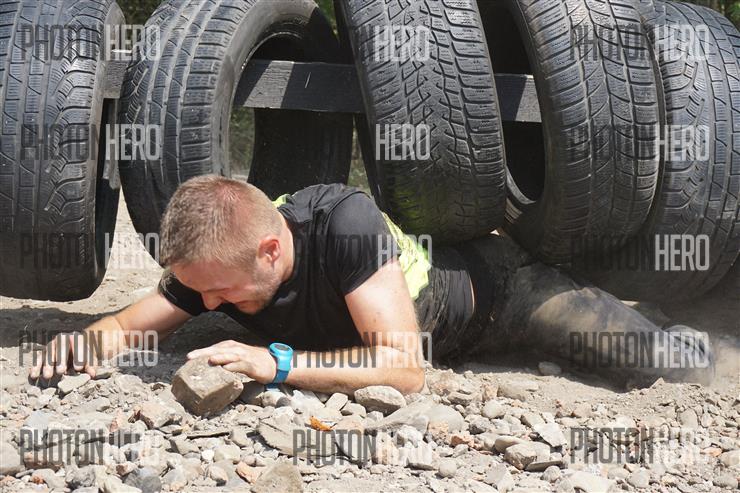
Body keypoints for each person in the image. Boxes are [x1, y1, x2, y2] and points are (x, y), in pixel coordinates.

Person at [29, 176, 715, 393]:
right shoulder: (213, 265)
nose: (205, 306)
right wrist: (77, 347)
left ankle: (687, 334)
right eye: (198, 293)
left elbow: (406, 370)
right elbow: (124, 325)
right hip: (447, 333)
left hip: (506, 298)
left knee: (658, 363)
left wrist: (277, 363)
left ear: (271, 249)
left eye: (221, 294)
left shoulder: (344, 223)